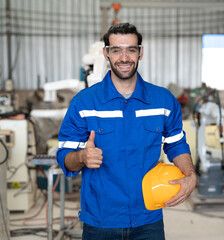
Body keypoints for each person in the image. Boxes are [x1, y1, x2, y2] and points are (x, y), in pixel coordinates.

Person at [56, 23, 197, 239]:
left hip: (148, 218)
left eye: (131, 49)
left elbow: (176, 143)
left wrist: (190, 176)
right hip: (101, 220)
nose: (124, 57)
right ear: (106, 54)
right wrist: (82, 156)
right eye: (116, 50)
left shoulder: (163, 100)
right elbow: (64, 158)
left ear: (140, 53)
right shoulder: (84, 103)